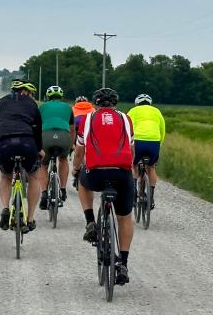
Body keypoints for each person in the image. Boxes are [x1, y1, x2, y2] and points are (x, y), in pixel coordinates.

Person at [71, 88, 135, 285]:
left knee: (83, 182)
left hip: (96, 173)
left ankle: (90, 221)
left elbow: (80, 150)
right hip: (122, 172)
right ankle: (123, 263)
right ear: (115, 103)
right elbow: (131, 147)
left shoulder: (87, 119)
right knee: (124, 218)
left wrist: (75, 169)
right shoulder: (125, 118)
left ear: (96, 103)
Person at [0, 76, 45, 232]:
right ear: (26, 91)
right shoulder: (32, 104)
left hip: (4, 144)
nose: (32, 96)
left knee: (5, 177)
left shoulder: (1, 102)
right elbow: (37, 129)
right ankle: (30, 218)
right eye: (31, 93)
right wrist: (39, 148)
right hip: (27, 143)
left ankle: (6, 208)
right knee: (33, 177)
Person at [126, 93, 166, 209]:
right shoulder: (157, 111)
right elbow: (162, 130)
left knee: (133, 166)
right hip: (154, 141)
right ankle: (151, 197)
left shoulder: (133, 111)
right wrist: (159, 144)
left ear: (137, 103)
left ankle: (133, 191)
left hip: (138, 141)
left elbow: (126, 127)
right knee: (151, 167)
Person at [38, 85, 74, 210]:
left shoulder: (41, 107)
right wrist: (71, 145)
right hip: (64, 137)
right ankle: (63, 189)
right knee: (63, 159)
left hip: (45, 137)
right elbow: (72, 129)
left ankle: (43, 193)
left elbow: (36, 126)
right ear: (61, 96)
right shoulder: (68, 107)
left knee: (43, 164)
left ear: (48, 96)